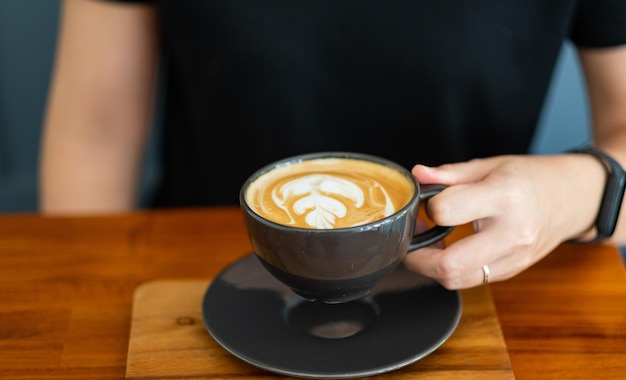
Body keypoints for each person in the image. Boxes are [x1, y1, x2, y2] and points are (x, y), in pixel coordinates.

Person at [40, 0, 626, 289]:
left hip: (479, 294)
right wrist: (90, 319)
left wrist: (577, 191)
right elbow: (95, 132)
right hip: (194, 287)